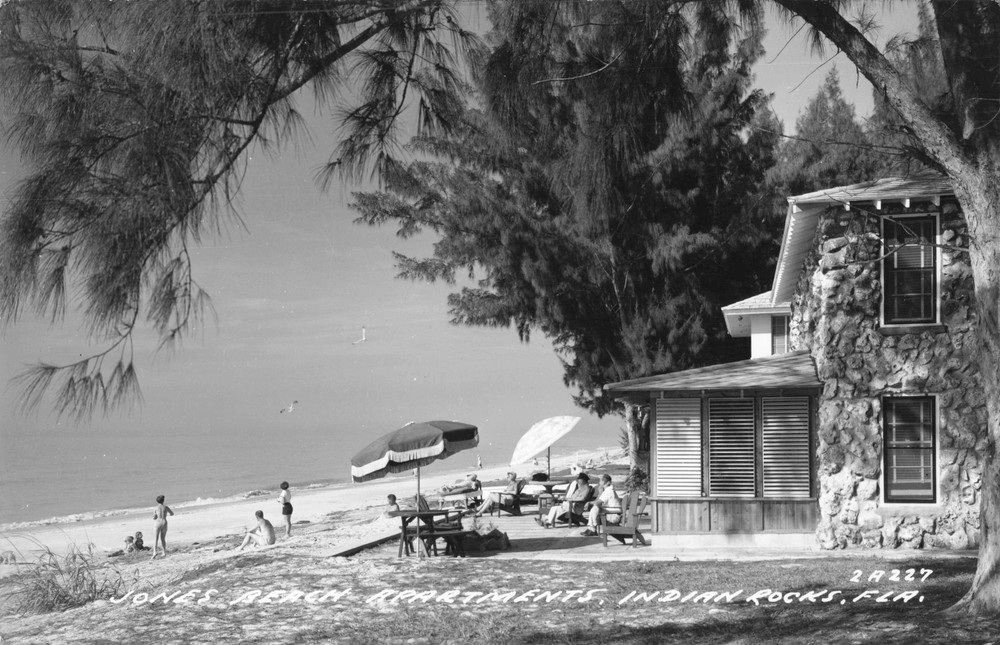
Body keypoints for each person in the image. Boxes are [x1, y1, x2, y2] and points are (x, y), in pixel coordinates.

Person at [151, 495, 174, 560]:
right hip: (164, 522)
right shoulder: (166, 507)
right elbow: (172, 513)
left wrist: (155, 516)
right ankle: (164, 551)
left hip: (158, 522)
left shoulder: (155, 508)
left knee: (156, 538)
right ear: (163, 500)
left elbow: (154, 517)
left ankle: (155, 551)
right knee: (163, 538)